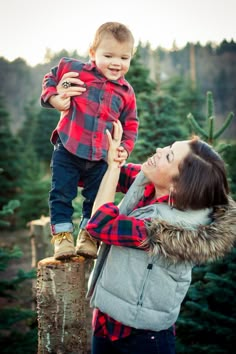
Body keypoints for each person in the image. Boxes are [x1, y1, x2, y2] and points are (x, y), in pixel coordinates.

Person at [85, 121, 236, 354]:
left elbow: (100, 224)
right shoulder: (153, 183)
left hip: (141, 339)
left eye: (168, 157)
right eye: (168, 147)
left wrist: (113, 168)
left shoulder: (166, 231)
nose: (158, 151)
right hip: (107, 323)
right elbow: (100, 175)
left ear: (178, 187)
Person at [40, 22, 138, 260]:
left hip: (100, 156)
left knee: (95, 198)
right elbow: (51, 77)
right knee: (61, 192)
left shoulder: (126, 92)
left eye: (124, 57)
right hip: (69, 147)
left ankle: (88, 236)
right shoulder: (76, 69)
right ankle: (63, 237)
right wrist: (54, 98)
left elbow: (131, 125)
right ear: (93, 53)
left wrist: (124, 148)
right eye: (109, 55)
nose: (117, 63)